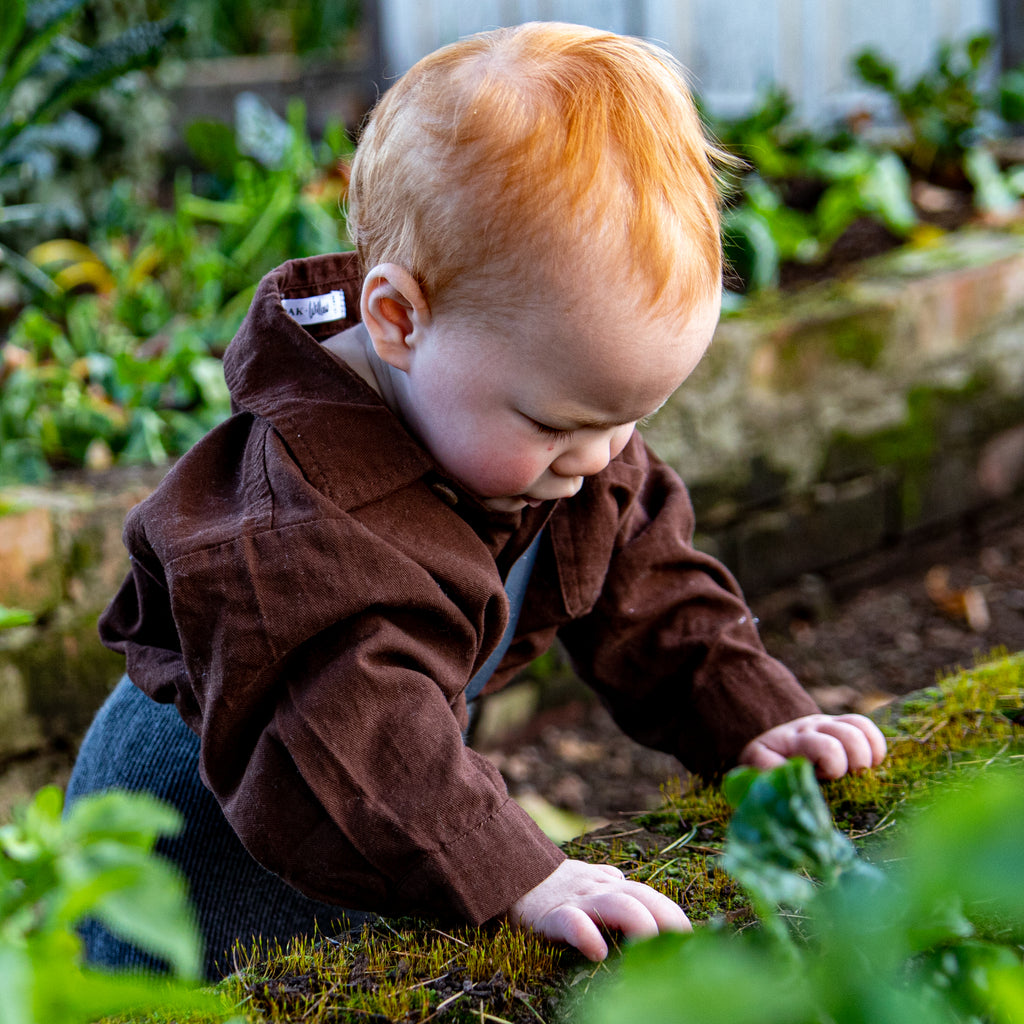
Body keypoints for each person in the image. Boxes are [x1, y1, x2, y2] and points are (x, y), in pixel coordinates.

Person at [66, 21, 886, 977]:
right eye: (556, 423)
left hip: (377, 832)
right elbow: (356, 727)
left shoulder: (540, 426)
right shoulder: (287, 524)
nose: (600, 455)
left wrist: (749, 716)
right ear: (398, 320)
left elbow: (647, 575)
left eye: (629, 417)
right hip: (195, 864)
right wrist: (520, 876)